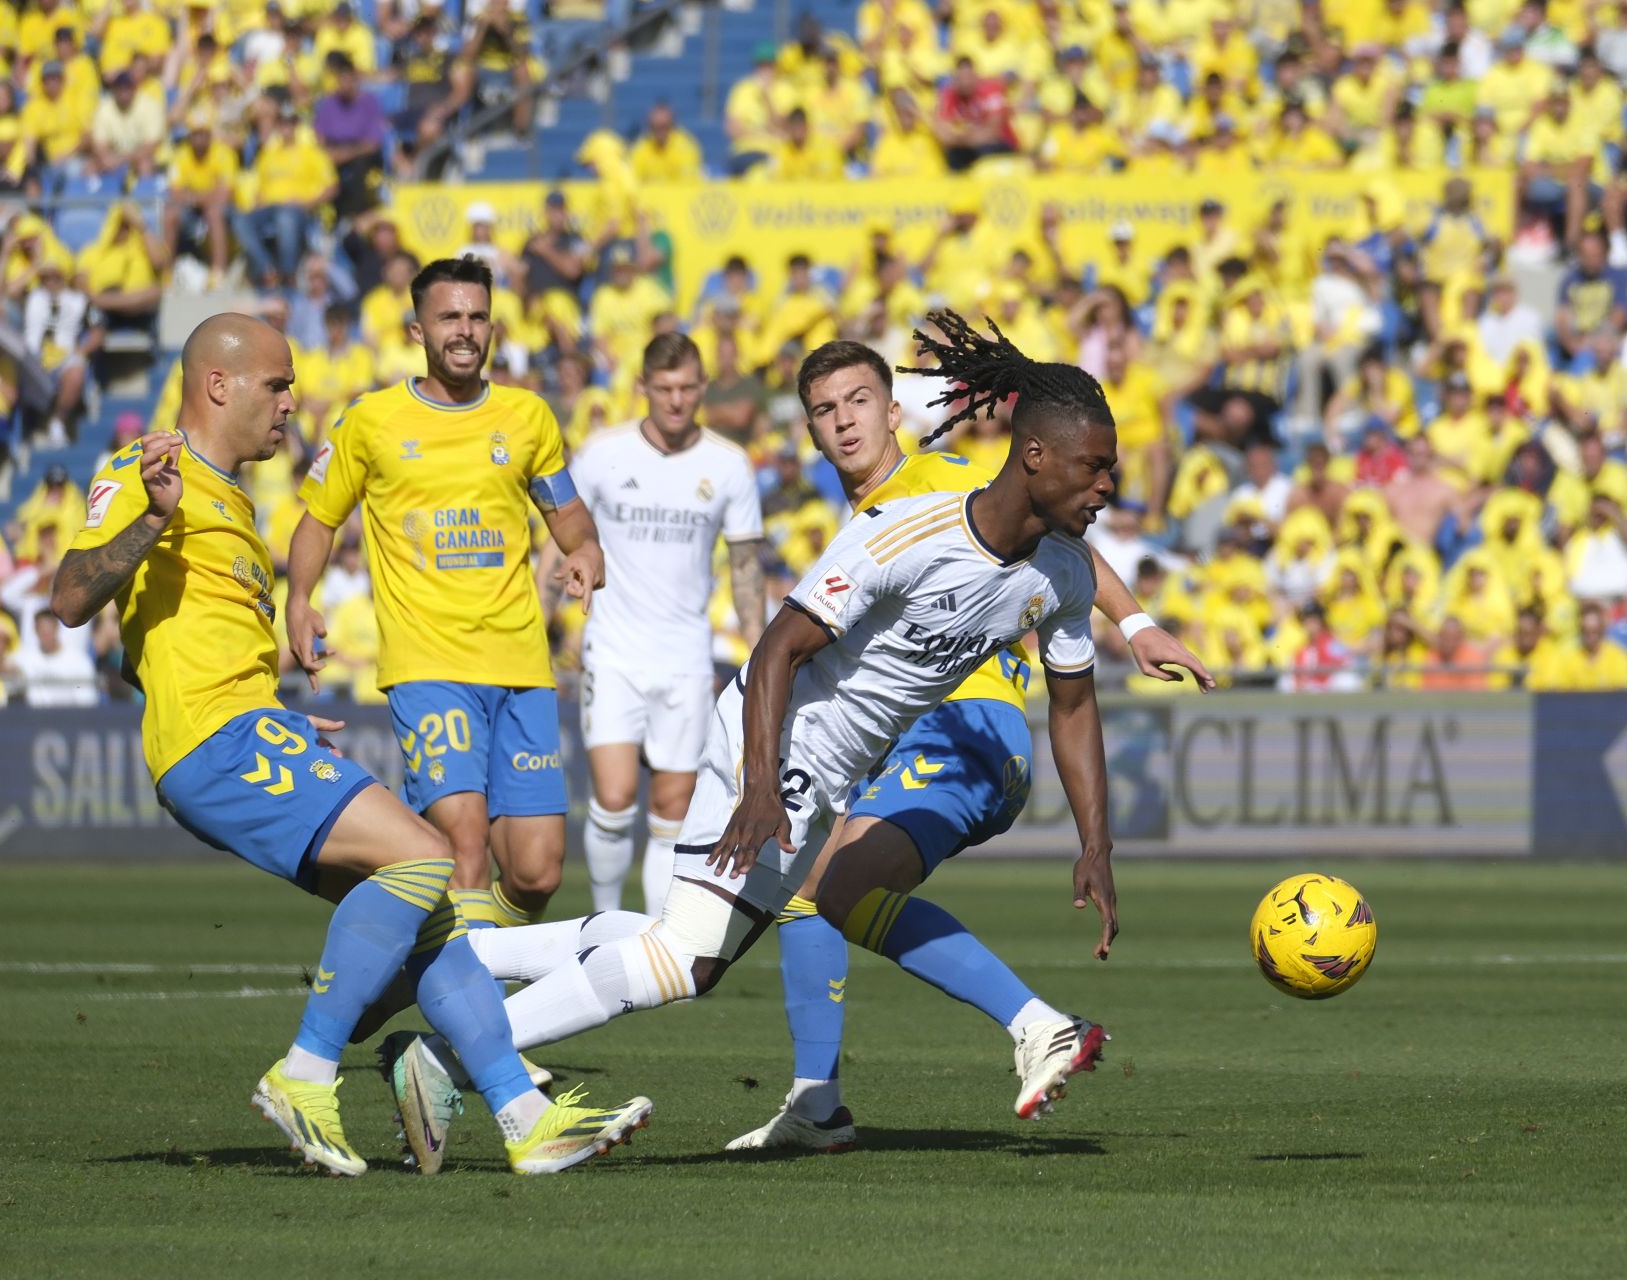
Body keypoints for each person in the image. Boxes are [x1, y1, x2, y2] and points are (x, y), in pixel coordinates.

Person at [382, 314, 1209, 1173]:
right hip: (774, 748)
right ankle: (449, 1058)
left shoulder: (1063, 573)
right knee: (680, 957)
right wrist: (759, 784)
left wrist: (1096, 845)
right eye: (1095, 466)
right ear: (1035, 457)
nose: (1110, 483)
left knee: (685, 952)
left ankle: (460, 971)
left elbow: (1073, 706)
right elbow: (780, 645)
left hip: (827, 776)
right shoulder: (910, 532)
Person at [51, 313, 645, 1176]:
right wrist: (151, 517)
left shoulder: (230, 498)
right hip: (214, 741)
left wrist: (272, 710)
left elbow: (157, 642)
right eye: (278, 383)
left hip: (245, 727)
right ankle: (306, 1070)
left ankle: (525, 1118)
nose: (294, 400)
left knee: (432, 922)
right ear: (219, 383)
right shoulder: (153, 474)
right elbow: (71, 596)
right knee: (424, 857)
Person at [289, 257, 604, 931]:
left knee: (536, 872)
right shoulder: (371, 420)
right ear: (416, 329)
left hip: (521, 666)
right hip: (428, 666)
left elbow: (567, 514)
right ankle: (472, 1031)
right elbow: (318, 518)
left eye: (477, 315)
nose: (465, 330)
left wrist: (586, 549)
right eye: (449, 317)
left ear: (492, 325)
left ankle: (434, 976)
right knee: (462, 850)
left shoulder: (526, 417)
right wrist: (299, 599)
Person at [540, 332, 766, 916]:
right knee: (612, 800)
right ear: (643, 387)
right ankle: (603, 919)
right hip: (613, 648)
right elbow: (560, 534)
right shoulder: (602, 454)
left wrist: (760, 645)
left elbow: (745, 565)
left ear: (702, 389)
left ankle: (656, 937)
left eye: (687, 387)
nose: (675, 399)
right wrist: (542, 616)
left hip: (685, 655)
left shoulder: (729, 465)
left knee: (671, 807)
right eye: (664, 388)